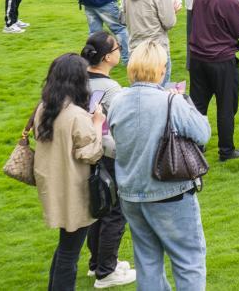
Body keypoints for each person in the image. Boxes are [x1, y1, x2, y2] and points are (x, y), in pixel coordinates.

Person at [108, 39, 210, 291]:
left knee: (147, 262)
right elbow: (203, 133)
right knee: (188, 260)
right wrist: (184, 101)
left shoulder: (117, 101)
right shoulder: (171, 102)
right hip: (170, 192)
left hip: (131, 194)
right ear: (161, 70)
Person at [33, 53, 105, 291]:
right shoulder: (76, 115)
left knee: (66, 247)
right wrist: (97, 124)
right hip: (74, 188)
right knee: (69, 253)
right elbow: (91, 153)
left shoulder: (44, 107)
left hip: (53, 184)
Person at [81, 33, 135, 289]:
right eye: (117, 48)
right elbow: (123, 123)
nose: (120, 50)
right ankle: (106, 271)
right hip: (109, 154)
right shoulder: (111, 88)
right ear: (106, 57)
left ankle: (97, 263)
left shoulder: (79, 80)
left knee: (99, 207)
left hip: (88, 153)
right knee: (115, 212)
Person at [188, 0, 239, 161]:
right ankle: (226, 150)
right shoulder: (229, 1)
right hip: (222, 60)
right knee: (226, 106)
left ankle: (197, 145)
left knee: (198, 105)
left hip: (198, 58)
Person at [121, 0, 179, 82]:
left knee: (138, 91)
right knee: (159, 91)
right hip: (156, 52)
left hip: (135, 51)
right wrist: (173, 10)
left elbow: (123, 18)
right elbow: (169, 22)